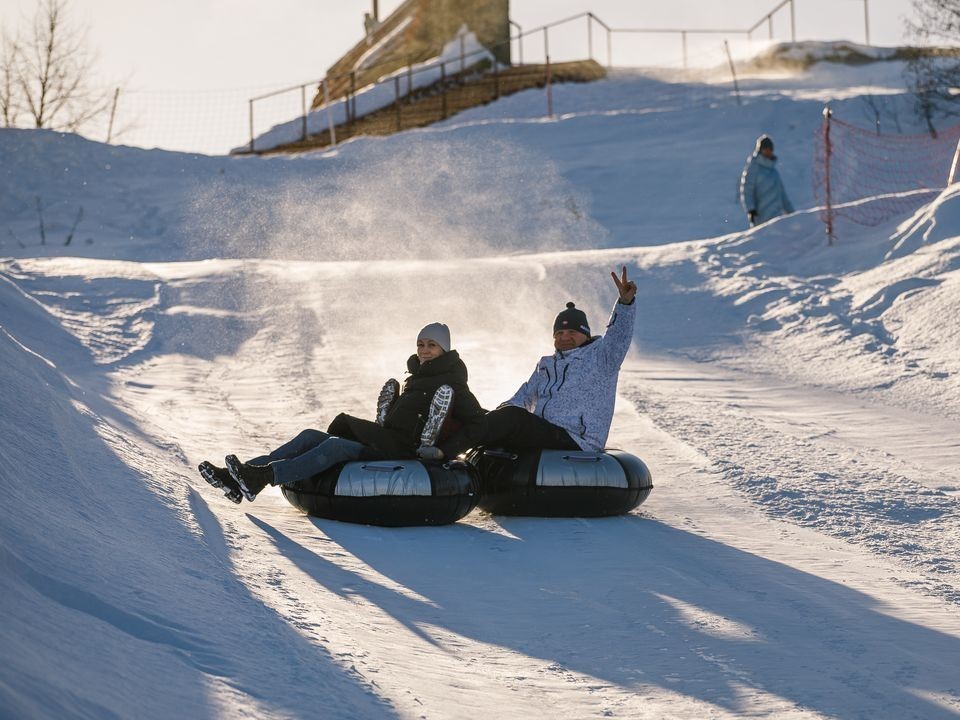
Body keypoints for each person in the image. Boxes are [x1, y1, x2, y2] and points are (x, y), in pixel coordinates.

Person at [199, 322, 485, 503]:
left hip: (405, 451)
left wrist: (442, 451)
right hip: (387, 440)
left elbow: (476, 422)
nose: (424, 350)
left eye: (431, 345)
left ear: (444, 349)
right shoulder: (416, 378)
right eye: (421, 344)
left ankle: (260, 478)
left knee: (336, 446)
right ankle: (236, 478)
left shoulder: (453, 383)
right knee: (311, 436)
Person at [418, 267, 638, 462]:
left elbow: (618, 336)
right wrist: (488, 417)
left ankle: (443, 452)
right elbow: (523, 397)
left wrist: (625, 304)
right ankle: (429, 436)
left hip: (576, 439)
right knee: (489, 414)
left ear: (585, 334)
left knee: (513, 419)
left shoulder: (601, 358)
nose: (564, 337)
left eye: (571, 332)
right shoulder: (547, 365)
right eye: (559, 333)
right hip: (543, 433)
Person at [740, 135, 794, 227]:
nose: (768, 152)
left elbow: (782, 194)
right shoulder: (753, 169)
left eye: (770, 150)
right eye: (766, 149)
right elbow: (747, 190)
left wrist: (792, 214)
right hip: (761, 218)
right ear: (760, 150)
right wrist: (751, 210)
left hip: (777, 217)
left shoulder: (774, 172)